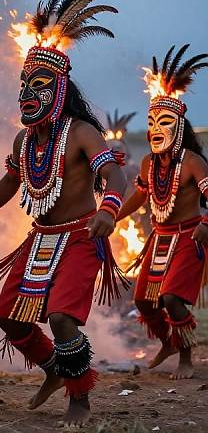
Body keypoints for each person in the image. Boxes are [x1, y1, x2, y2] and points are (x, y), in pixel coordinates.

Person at [0, 0, 127, 427]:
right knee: (7, 318)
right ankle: (54, 369)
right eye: (23, 84)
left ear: (59, 90)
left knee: (60, 318)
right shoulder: (23, 140)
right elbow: (13, 177)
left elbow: (115, 174)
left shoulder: (81, 133)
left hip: (80, 236)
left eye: (37, 85)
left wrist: (108, 210)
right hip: (38, 240)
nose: (27, 93)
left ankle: (81, 399)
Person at [119, 45, 208, 380]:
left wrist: (206, 223)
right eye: (152, 121)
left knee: (171, 298)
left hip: (190, 238)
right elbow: (140, 196)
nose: (156, 128)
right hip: (159, 239)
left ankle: (186, 357)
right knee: (143, 301)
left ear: (179, 128)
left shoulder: (193, 163)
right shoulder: (147, 163)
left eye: (165, 122)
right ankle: (169, 342)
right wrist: (112, 217)